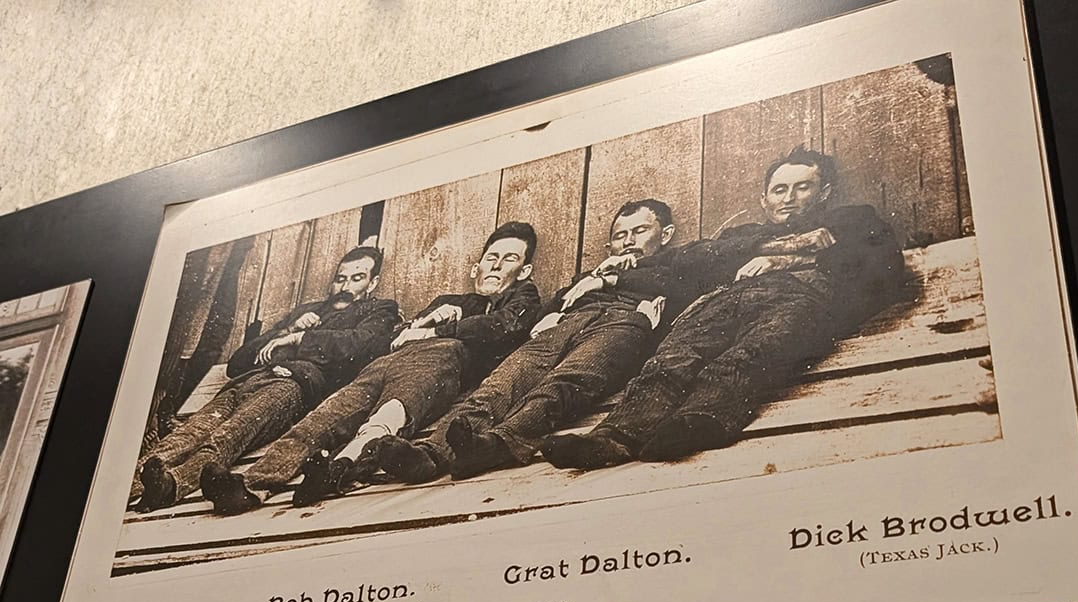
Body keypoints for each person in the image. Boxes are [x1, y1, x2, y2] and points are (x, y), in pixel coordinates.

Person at [541, 146, 906, 469]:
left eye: (802, 187)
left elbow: (881, 267)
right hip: (722, 301)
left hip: (797, 297)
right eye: (779, 190)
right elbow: (690, 260)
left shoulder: (855, 220)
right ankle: (613, 438)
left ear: (823, 192)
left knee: (750, 353)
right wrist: (784, 248)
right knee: (671, 359)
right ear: (764, 199)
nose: (789, 198)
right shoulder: (741, 235)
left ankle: (702, 418)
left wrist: (782, 263)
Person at [338, 200, 693, 487]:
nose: (628, 240)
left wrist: (614, 278)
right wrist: (553, 313)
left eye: (640, 230)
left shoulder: (677, 260)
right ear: (609, 243)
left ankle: (499, 445)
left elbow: (685, 287)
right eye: (620, 235)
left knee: (567, 381)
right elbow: (554, 304)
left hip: (625, 321)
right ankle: (430, 454)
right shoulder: (586, 276)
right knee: (500, 384)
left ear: (665, 234)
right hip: (564, 325)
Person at [199, 222, 541, 512]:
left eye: (509, 259)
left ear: (523, 271)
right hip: (384, 365)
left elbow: (506, 326)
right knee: (322, 420)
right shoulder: (446, 300)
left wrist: (441, 327)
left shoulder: (522, 298)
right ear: (475, 267)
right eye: (491, 258)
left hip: (438, 367)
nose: (496, 266)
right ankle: (252, 487)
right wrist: (420, 324)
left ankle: (338, 473)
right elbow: (392, 339)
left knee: (388, 416)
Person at [133, 246, 398, 510]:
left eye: (357, 278)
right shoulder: (306, 311)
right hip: (246, 382)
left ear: (372, 283)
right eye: (340, 279)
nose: (345, 287)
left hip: (291, 385)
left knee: (228, 435)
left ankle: (171, 486)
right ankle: (132, 487)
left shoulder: (379, 310)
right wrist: (289, 327)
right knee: (190, 432)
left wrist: (300, 338)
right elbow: (238, 362)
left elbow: (364, 345)